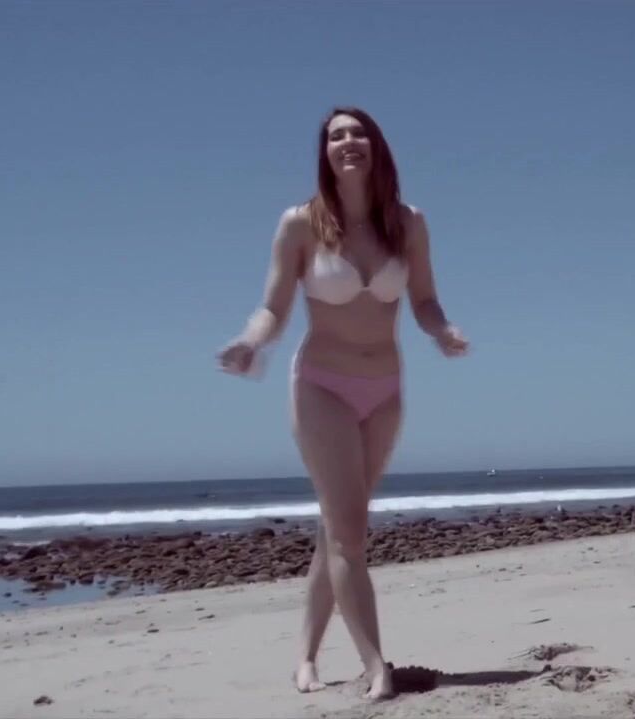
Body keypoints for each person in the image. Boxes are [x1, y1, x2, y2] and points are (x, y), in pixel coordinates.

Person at [216, 106, 469, 699]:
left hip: (385, 391)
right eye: (336, 136)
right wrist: (251, 341)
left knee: (339, 530)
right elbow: (274, 306)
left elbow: (424, 299)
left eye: (358, 133)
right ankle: (377, 666)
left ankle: (304, 657)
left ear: (376, 147)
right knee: (350, 533)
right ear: (325, 152)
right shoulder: (300, 224)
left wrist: (442, 330)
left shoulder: (408, 223)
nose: (348, 142)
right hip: (321, 387)